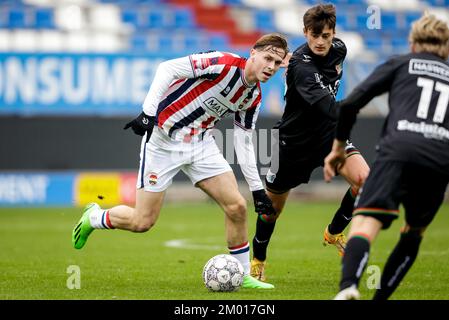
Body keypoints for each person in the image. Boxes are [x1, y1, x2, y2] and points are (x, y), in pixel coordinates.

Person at [71, 33, 290, 290]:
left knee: (237, 207)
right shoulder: (222, 62)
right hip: (163, 141)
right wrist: (148, 112)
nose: (271, 67)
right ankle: (95, 217)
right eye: (267, 58)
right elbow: (168, 68)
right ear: (253, 52)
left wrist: (256, 189)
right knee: (143, 222)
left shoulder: (253, 97)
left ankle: (242, 275)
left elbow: (243, 142)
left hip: (200, 145)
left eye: (277, 63)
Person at [324, 13, 449, 300]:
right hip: (439, 158)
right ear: (447, 47)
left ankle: (349, 288)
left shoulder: (402, 63)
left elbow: (351, 104)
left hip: (398, 150)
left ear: (412, 43)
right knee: (413, 232)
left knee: (366, 223)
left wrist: (338, 148)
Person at [250, 3, 369, 281]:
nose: (319, 41)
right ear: (305, 32)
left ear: (333, 34)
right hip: (293, 144)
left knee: (364, 178)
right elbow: (328, 107)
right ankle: (257, 259)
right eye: (314, 35)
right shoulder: (301, 68)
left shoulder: (340, 49)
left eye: (325, 35)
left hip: (328, 137)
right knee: (271, 212)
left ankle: (335, 230)